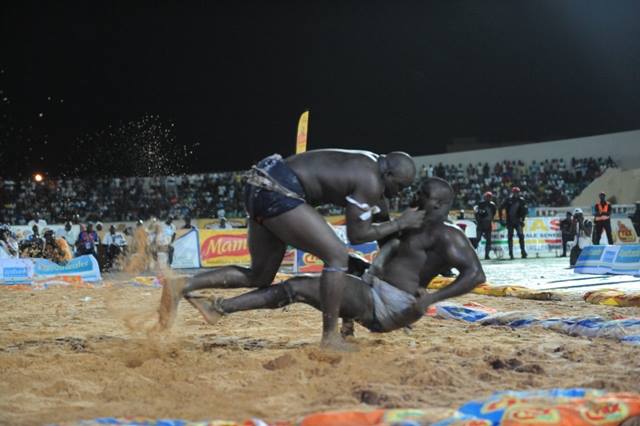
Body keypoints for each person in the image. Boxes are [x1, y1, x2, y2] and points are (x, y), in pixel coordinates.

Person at [158, 150, 424, 350]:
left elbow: (384, 237)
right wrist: (402, 222)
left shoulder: (370, 166)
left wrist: (398, 284)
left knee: (260, 276)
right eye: (399, 186)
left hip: (262, 182)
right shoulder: (372, 181)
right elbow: (358, 235)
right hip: (279, 190)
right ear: (388, 175)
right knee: (337, 256)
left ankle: (181, 285)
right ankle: (329, 337)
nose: (398, 193)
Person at [184, 177, 485, 336]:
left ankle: (220, 308)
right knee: (338, 262)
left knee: (297, 287)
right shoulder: (413, 221)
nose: (415, 197)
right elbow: (371, 225)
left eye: (423, 195)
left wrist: (431, 300)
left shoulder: (447, 234)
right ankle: (347, 323)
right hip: (373, 285)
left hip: (388, 305)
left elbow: (475, 274)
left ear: (440, 202)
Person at [499, 187, 528, 259]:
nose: (516, 193)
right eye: (515, 192)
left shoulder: (521, 200)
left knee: (521, 236)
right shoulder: (508, 200)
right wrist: (501, 219)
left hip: (518, 221)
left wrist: (523, 220)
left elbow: (525, 211)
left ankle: (523, 251)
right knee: (510, 237)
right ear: (512, 192)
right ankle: (511, 253)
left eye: (517, 192)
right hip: (510, 221)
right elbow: (500, 208)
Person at [473, 191, 497, 260]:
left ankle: (487, 255)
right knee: (478, 239)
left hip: (488, 224)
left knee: (488, 240)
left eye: (490, 197)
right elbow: (476, 212)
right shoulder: (480, 204)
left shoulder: (492, 205)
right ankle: (472, 253)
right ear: (485, 197)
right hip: (481, 224)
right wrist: (478, 219)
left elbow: (493, 214)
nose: (488, 198)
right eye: (487, 197)